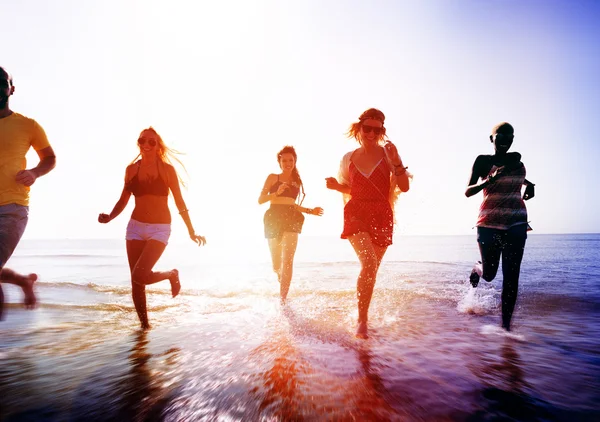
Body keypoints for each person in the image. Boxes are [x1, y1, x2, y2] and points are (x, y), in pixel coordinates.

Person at [98, 127, 205, 330]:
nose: (146, 145)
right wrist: (110, 217)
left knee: (140, 275)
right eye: (142, 141)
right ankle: (145, 328)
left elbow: (180, 202)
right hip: (135, 228)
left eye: (151, 142)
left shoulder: (167, 170)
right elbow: (124, 199)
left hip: (160, 228)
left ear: (158, 146)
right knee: (136, 282)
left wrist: (191, 230)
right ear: (138, 143)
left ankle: (171, 274)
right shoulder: (131, 170)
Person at [326, 108, 410, 339]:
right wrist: (336, 186)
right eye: (367, 128)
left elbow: (404, 186)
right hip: (356, 212)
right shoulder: (348, 158)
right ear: (359, 129)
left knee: (372, 270)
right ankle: (361, 322)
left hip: (382, 213)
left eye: (377, 129)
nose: (371, 133)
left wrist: (397, 161)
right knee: (369, 263)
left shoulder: (388, 155)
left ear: (381, 131)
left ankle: (363, 313)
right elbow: (351, 188)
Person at [465, 122, 535, 332]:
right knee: (490, 274)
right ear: (492, 139)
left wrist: (529, 184)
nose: (505, 140)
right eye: (501, 137)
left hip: (517, 222)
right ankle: (477, 268)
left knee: (512, 277)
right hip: (489, 223)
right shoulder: (483, 161)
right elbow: (468, 190)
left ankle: (506, 330)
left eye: (509, 137)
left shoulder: (516, 161)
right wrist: (489, 180)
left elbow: (514, 175)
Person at [0, 66, 56, 320]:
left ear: (11, 89)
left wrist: (34, 173)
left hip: (12, 208)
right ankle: (23, 281)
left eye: (2, 82)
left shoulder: (27, 125)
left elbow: (50, 158)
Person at [258, 146, 323, 303]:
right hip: (273, 217)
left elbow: (293, 204)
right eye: (284, 160)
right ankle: (279, 275)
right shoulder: (273, 178)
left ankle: (283, 299)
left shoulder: (297, 182)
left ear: (295, 161)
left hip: (291, 218)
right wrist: (276, 193)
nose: (288, 163)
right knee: (276, 264)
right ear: (279, 162)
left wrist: (310, 210)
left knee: (288, 260)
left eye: (291, 160)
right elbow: (260, 200)